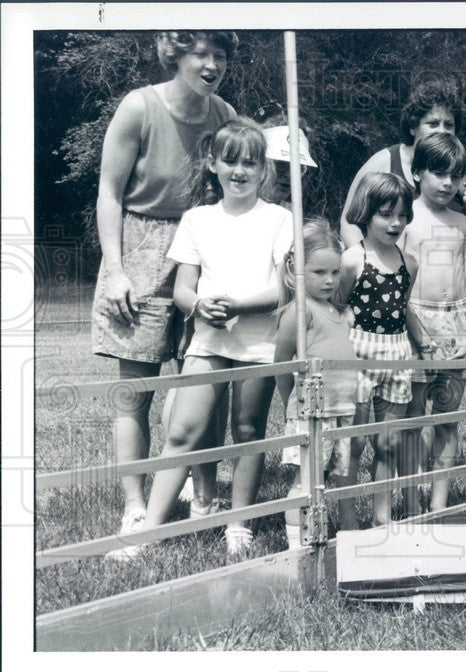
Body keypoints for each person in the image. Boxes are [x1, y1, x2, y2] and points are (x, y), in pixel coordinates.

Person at [106, 117, 292, 560]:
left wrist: (240, 306)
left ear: (263, 168)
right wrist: (198, 306)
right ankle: (145, 536)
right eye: (230, 161)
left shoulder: (279, 219)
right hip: (207, 341)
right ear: (212, 163)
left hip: (259, 344)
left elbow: (285, 289)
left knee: (248, 431)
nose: (240, 171)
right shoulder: (197, 219)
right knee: (183, 432)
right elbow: (182, 288)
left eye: (250, 163)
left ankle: (238, 524)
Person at [91, 30, 238, 540]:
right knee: (137, 390)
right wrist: (116, 269)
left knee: (207, 381)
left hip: (201, 245)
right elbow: (109, 192)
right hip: (141, 245)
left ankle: (206, 495)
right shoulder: (138, 107)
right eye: (201, 52)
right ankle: (135, 505)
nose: (212, 63)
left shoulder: (223, 114)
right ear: (175, 54)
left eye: (220, 54)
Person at [400, 133, 466, 513]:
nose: (447, 183)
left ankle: (440, 506)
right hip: (415, 326)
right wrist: (416, 335)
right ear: (417, 173)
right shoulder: (405, 218)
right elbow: (396, 283)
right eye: (438, 173)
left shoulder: (462, 223)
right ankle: (412, 506)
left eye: (455, 175)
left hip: (454, 327)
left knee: (447, 421)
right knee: (414, 421)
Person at [274, 217, 359, 545]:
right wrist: (291, 405)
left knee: (324, 479)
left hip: (339, 411)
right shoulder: (299, 312)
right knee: (306, 481)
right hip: (312, 413)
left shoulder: (338, 312)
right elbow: (281, 364)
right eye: (319, 272)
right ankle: (298, 543)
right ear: (298, 272)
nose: (329, 280)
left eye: (335, 272)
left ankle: (317, 535)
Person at [342, 173, 420, 527]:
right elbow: (338, 308)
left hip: (397, 355)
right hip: (359, 354)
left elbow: (402, 308)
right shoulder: (352, 260)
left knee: (387, 443)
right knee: (353, 446)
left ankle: (382, 517)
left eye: (402, 215)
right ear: (366, 213)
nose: (395, 223)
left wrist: (424, 340)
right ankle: (347, 520)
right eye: (386, 214)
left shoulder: (409, 263)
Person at [339, 81, 466, 248]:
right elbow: (349, 222)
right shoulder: (384, 162)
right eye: (433, 124)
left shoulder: (461, 169)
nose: (442, 131)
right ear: (413, 127)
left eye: (449, 125)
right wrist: (367, 262)